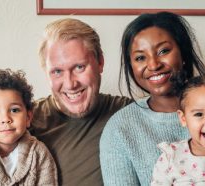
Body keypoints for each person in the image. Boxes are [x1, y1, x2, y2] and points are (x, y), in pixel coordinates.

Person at [100, 11, 205, 186]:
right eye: (140, 57)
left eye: (163, 51)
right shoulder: (119, 128)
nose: (153, 65)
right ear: (131, 67)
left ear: (183, 52)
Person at [29, 18, 131, 186]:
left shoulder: (127, 112)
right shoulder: (24, 121)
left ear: (100, 62)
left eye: (79, 67)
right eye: (57, 71)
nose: (70, 84)